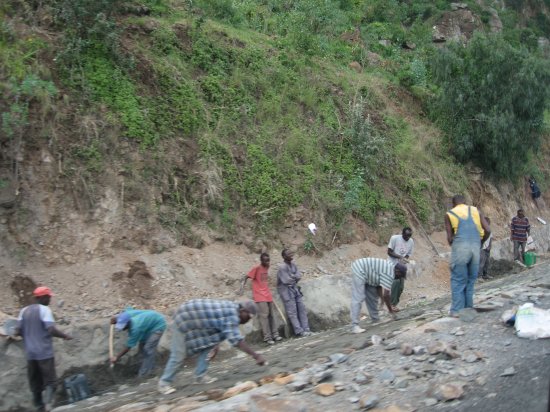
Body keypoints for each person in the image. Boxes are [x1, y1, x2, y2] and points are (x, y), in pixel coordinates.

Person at [157, 299, 266, 395]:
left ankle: (200, 376)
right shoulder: (231, 314)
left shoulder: (232, 308)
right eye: (249, 316)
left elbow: (218, 324)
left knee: (209, 346)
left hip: (194, 320)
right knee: (179, 354)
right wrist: (256, 356)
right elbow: (236, 341)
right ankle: (164, 383)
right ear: (243, 311)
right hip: (183, 319)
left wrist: (216, 344)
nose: (248, 320)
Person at [15, 286, 73, 412]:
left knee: (35, 384)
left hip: (30, 354)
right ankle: (48, 406)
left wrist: (28, 336)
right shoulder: (45, 310)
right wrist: (65, 336)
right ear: (42, 297)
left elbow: (17, 330)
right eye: (48, 297)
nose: (50, 300)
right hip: (44, 353)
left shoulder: (23, 311)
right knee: (51, 382)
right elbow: (51, 329)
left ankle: (39, 407)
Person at [445, 195, 490, 316]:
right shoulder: (476, 210)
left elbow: (449, 238)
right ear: (465, 202)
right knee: (470, 280)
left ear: (454, 204)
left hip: (460, 249)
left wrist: (454, 241)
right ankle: (468, 308)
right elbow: (488, 230)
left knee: (458, 279)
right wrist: (480, 242)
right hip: (475, 248)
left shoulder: (450, 214)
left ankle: (456, 311)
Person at [350, 258, 407, 333]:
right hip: (360, 268)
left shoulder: (390, 268)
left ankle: (375, 319)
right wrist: (391, 311)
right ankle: (355, 326)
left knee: (372, 296)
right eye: (400, 276)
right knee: (359, 297)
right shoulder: (390, 273)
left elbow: (379, 286)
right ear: (397, 272)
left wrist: (382, 302)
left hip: (369, 275)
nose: (398, 278)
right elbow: (386, 295)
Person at [239, 253, 282, 345]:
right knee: (264, 316)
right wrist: (241, 288)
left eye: (268, 260)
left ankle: (275, 334)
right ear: (261, 261)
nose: (267, 262)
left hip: (267, 295)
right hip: (259, 295)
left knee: (272, 315)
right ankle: (267, 337)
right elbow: (245, 277)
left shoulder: (267, 266)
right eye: (265, 260)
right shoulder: (256, 268)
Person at [110, 309, 166, 377]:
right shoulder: (127, 314)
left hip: (158, 325)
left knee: (148, 349)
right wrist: (114, 319)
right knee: (141, 351)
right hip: (148, 326)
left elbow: (129, 347)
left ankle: (144, 374)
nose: (122, 329)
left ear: (127, 323)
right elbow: (126, 310)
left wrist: (117, 357)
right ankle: (150, 367)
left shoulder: (135, 329)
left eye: (123, 326)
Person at [277, 249, 311, 337]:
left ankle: (306, 328)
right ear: (284, 257)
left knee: (302, 309)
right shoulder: (282, 267)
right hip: (287, 292)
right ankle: (299, 331)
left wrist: (293, 277)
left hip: (295, 290)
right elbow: (286, 280)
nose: (291, 255)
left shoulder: (293, 265)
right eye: (289, 254)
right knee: (292, 312)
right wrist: (294, 277)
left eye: (291, 253)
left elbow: (299, 276)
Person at [387, 227, 414, 311]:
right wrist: (400, 257)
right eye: (406, 236)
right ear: (402, 234)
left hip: (401, 265)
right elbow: (389, 252)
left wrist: (404, 259)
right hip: (392, 263)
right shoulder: (394, 238)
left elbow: (408, 254)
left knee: (401, 287)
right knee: (396, 282)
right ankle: (392, 305)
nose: (407, 238)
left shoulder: (411, 242)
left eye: (409, 236)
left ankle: (394, 304)